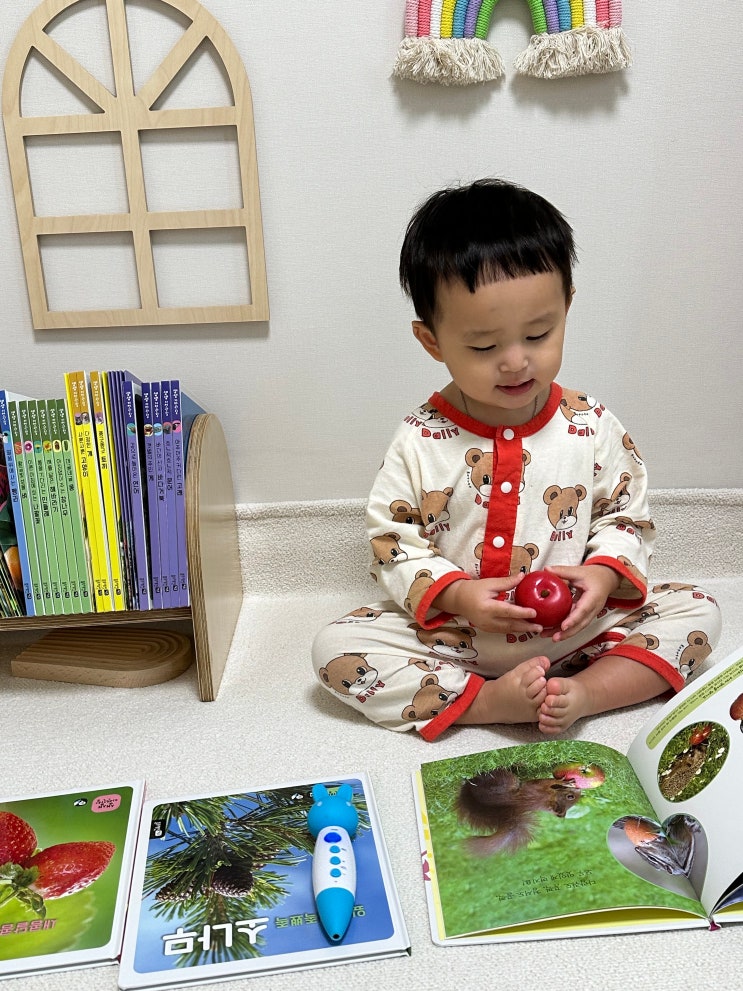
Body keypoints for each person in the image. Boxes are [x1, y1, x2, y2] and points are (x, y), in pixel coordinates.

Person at [311, 178, 721, 741]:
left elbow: (626, 516)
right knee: (335, 649)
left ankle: (586, 692)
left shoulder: (590, 423)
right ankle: (487, 703)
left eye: (538, 333)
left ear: (566, 306)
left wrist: (603, 575)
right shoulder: (419, 438)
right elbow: (393, 542)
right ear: (432, 341)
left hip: (577, 631)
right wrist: (457, 595)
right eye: (483, 346)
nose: (514, 362)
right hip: (461, 638)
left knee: (698, 610)